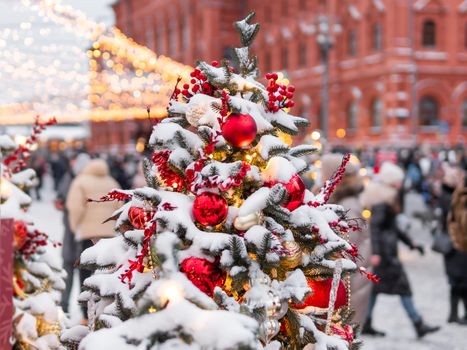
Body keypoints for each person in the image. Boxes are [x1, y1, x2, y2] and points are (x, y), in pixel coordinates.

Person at [361, 162, 440, 338]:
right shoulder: (385, 199)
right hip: (386, 255)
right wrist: (377, 253)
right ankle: (418, 323)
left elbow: (393, 227)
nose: (400, 183)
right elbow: (375, 227)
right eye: (397, 181)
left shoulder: (387, 196)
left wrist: (410, 243)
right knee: (402, 287)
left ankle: (367, 322)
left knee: (376, 289)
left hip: (385, 252)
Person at [66, 158, 120, 322]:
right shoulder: (112, 181)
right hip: (110, 235)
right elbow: (120, 207)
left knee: (85, 273)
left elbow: (75, 207)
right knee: (109, 273)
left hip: (89, 235)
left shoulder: (80, 181)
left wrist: (75, 227)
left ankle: (85, 315)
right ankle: (107, 311)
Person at [320, 154, 371, 326]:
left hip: (349, 285)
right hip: (348, 281)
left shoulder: (346, 206)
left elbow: (346, 251)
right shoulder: (339, 201)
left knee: (342, 331)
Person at [55, 153, 90, 314]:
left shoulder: (73, 179)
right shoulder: (71, 178)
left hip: (82, 232)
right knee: (80, 274)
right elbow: (61, 198)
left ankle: (72, 308)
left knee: (80, 273)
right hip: (77, 233)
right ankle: (69, 308)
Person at [439, 164, 467, 324]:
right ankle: (456, 314)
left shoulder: (446, 196)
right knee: (460, 280)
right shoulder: (453, 198)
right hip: (456, 243)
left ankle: (453, 313)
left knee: (455, 280)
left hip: (451, 244)